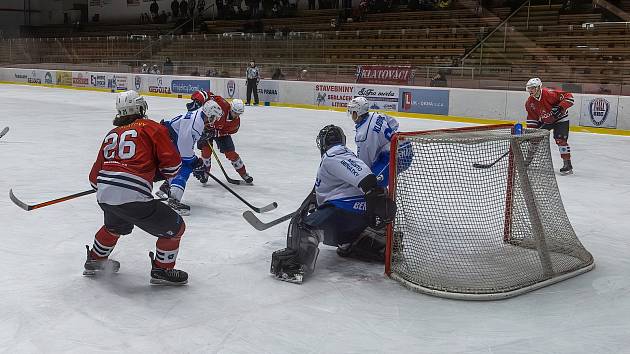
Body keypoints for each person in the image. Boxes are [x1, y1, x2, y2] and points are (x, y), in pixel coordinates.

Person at [86, 90, 188, 285]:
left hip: (105, 196)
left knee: (115, 226)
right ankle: (162, 270)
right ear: (141, 107)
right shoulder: (151, 127)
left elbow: (93, 180)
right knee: (176, 228)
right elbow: (172, 166)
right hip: (132, 197)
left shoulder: (112, 133)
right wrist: (155, 174)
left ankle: (95, 260)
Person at [270, 125, 396, 283]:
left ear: (323, 143)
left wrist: (374, 205)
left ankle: (296, 266)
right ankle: (367, 244)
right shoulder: (346, 154)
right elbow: (329, 187)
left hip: (345, 214)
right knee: (337, 233)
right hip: (356, 219)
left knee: (305, 226)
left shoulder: (334, 155)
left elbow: (367, 180)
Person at [158, 98, 224, 214]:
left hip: (168, 137)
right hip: (168, 139)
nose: (213, 121)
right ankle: (173, 200)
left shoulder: (199, 114)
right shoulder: (196, 124)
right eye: (213, 117)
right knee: (185, 167)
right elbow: (185, 151)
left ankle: (166, 188)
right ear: (208, 113)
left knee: (182, 164)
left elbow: (185, 141)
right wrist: (195, 162)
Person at [347, 96, 412, 188]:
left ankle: (383, 200)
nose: (351, 115)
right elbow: (395, 124)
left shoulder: (363, 135)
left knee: (371, 183)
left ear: (357, 113)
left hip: (398, 156)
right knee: (377, 174)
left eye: (352, 112)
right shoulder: (377, 114)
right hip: (404, 146)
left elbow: (365, 164)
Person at [190, 91, 253, 184]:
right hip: (206, 129)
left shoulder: (235, 123)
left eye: (238, 114)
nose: (235, 115)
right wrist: (197, 99)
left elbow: (229, 131)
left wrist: (217, 133)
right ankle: (205, 173)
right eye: (234, 112)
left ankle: (243, 173)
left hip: (221, 133)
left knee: (231, 153)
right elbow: (208, 95)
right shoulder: (221, 103)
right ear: (230, 107)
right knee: (206, 152)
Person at [525, 78, 575, 174]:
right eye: (529, 88)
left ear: (539, 87)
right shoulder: (529, 102)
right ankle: (527, 162)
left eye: (533, 88)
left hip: (561, 119)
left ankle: (567, 164)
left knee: (561, 140)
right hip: (546, 121)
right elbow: (532, 118)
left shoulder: (550, 93)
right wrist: (532, 132)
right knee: (534, 140)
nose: (530, 90)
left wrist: (561, 107)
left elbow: (570, 97)